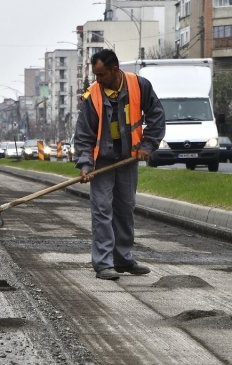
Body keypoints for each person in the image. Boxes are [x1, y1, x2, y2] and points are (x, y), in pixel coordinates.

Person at [74, 49, 165, 281]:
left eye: (101, 74)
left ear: (115, 70)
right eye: (95, 75)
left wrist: (147, 146)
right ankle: (104, 264)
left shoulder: (139, 85)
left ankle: (123, 259)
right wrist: (85, 164)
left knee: (125, 209)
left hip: (128, 158)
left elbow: (157, 116)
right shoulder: (92, 95)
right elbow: (84, 134)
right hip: (102, 161)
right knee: (102, 210)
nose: (98, 80)